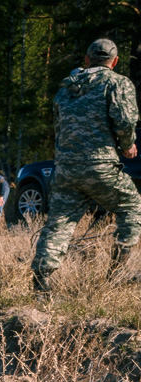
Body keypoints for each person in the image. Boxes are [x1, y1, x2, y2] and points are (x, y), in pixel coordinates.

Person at [32, 38, 140, 292]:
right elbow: (125, 121)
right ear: (114, 62)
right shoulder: (117, 82)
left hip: (66, 168)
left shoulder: (66, 87)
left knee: (59, 222)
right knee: (131, 206)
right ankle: (116, 275)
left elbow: (58, 127)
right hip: (100, 164)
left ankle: (41, 282)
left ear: (87, 59)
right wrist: (127, 145)